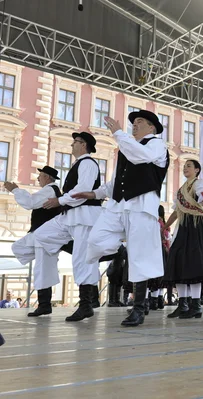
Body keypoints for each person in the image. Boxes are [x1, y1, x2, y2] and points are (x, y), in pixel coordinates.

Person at [73, 110, 169, 327]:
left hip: (142, 206)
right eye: (133, 123)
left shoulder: (156, 145)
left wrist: (118, 132)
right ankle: (113, 261)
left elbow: (141, 156)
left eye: (140, 122)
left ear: (152, 128)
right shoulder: (126, 147)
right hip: (117, 206)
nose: (134, 125)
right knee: (96, 240)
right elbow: (115, 181)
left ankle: (139, 307)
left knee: (140, 258)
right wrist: (94, 193)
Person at [34, 132, 103, 322]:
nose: (72, 145)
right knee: (41, 236)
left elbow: (83, 189)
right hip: (70, 215)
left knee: (83, 259)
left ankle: (86, 305)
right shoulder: (78, 164)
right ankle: (78, 250)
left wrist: (60, 200)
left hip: (84, 216)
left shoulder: (88, 163)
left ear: (84, 145)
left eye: (75, 142)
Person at [162, 160, 203, 320]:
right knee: (178, 262)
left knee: (194, 264)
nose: (185, 168)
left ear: (197, 170)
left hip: (196, 226)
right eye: (184, 166)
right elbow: (176, 211)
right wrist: (165, 226)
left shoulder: (200, 185)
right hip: (183, 226)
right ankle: (182, 304)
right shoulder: (181, 191)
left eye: (189, 166)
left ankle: (195, 305)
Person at [4, 166, 62, 317]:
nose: (38, 178)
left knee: (43, 269)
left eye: (41, 175)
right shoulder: (49, 190)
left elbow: (30, 202)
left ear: (48, 178)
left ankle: (44, 305)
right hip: (42, 235)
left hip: (47, 237)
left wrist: (16, 190)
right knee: (20, 248)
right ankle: (44, 304)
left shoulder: (50, 190)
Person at [148, 205, 171, 310]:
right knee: (161, 275)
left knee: (153, 275)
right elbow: (168, 240)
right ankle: (160, 300)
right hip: (164, 251)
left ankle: (153, 301)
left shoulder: (155, 222)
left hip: (155, 249)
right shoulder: (165, 225)